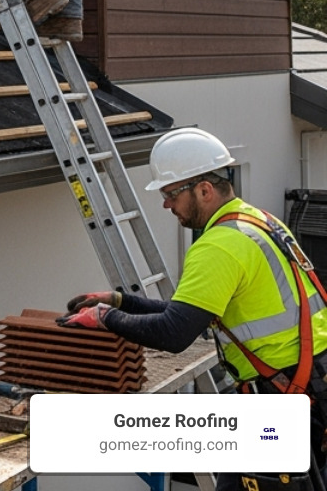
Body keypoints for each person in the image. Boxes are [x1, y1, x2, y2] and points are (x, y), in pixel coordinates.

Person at [61, 128, 327, 491]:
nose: (166, 204)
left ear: (203, 190)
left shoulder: (218, 246)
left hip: (282, 398)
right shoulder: (258, 222)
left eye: (171, 194)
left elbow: (175, 333)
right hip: (308, 386)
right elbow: (193, 311)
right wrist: (120, 301)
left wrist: (105, 318)